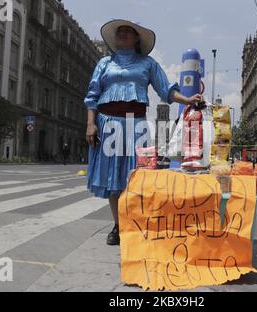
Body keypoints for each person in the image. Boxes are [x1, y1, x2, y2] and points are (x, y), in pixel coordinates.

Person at [84, 19, 203, 245]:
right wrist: (91, 123)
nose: (124, 34)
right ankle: (118, 226)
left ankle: (134, 223)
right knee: (113, 179)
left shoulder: (148, 63)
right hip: (107, 122)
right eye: (120, 31)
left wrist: (187, 99)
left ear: (137, 38)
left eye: (129, 31)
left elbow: (166, 90)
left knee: (136, 177)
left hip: (135, 124)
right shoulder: (104, 63)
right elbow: (92, 95)